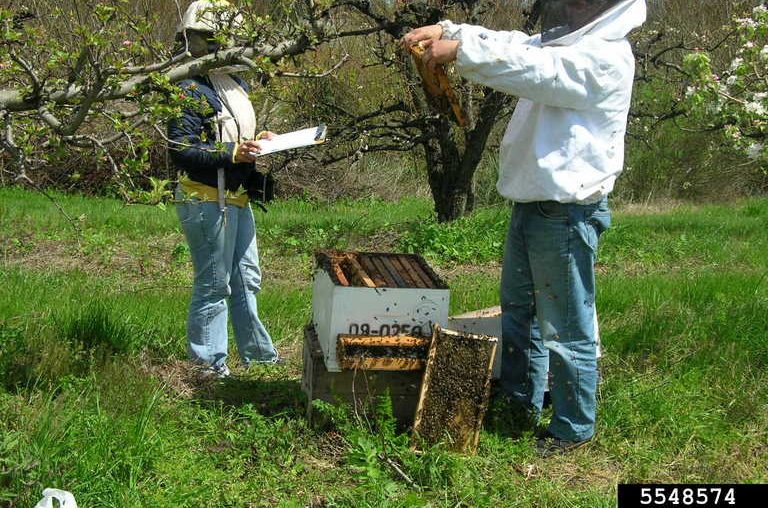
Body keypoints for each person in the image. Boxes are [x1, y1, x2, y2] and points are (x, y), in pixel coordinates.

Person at [403, 0, 646, 455]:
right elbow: (514, 44)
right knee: (519, 315)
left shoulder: (606, 58)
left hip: (567, 212)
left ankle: (573, 427)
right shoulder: (561, 43)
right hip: (532, 205)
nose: (570, 7)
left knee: (566, 326)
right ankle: (519, 406)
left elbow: (538, 69)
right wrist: (448, 27)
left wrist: (460, 53)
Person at [168, 0, 280, 378]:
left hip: (236, 198)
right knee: (215, 284)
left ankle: (259, 357)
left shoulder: (232, 83)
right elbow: (180, 149)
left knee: (246, 279)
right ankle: (207, 366)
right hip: (204, 200)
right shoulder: (186, 86)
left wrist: (258, 140)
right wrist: (233, 151)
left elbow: (228, 130)